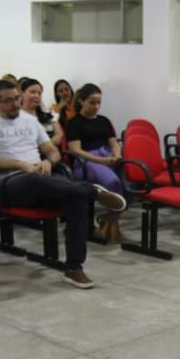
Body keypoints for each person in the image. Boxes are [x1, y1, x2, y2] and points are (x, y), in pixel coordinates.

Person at [0, 79, 126, 288]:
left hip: (42, 178)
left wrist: (47, 161)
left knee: (76, 199)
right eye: (8, 101)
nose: (15, 104)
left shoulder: (29, 121)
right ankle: (91, 191)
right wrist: (21, 165)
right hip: (9, 183)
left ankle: (74, 268)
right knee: (43, 180)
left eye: (17, 99)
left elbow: (53, 152)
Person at [64, 84, 124, 244]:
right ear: (82, 101)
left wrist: (117, 155)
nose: (96, 106)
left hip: (107, 156)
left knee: (132, 182)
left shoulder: (104, 120)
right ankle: (113, 221)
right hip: (85, 162)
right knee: (113, 182)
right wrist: (102, 161)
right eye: (92, 102)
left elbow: (114, 143)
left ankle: (108, 218)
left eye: (99, 103)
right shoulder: (74, 123)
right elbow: (76, 150)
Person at [19, 78, 62, 148]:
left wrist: (44, 148)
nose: (37, 96)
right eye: (32, 92)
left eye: (39, 93)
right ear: (22, 93)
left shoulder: (49, 113)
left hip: (51, 152)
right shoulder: (15, 116)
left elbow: (59, 135)